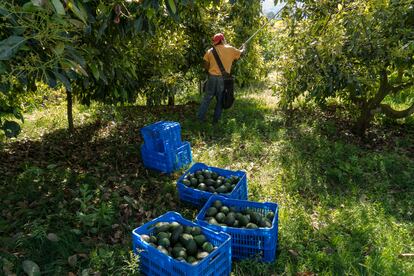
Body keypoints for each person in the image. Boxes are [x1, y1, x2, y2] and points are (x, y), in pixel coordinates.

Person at [197, 33, 245, 124]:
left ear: (216, 42)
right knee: (220, 100)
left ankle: (200, 119)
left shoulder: (210, 51)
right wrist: (244, 47)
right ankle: (215, 121)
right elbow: (242, 53)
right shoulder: (231, 49)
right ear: (223, 40)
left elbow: (206, 65)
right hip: (223, 80)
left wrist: (210, 71)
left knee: (207, 98)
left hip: (212, 78)